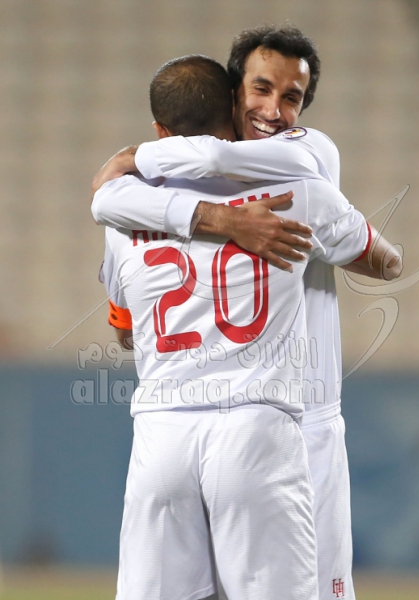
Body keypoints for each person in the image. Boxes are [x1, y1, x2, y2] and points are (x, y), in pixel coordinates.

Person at [93, 27, 403, 600]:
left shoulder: (131, 200)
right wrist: (235, 222)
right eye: (262, 89)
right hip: (270, 423)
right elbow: (388, 262)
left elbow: (124, 326)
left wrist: (135, 159)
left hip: (178, 426)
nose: (275, 110)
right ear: (232, 91)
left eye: (292, 98)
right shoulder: (299, 188)